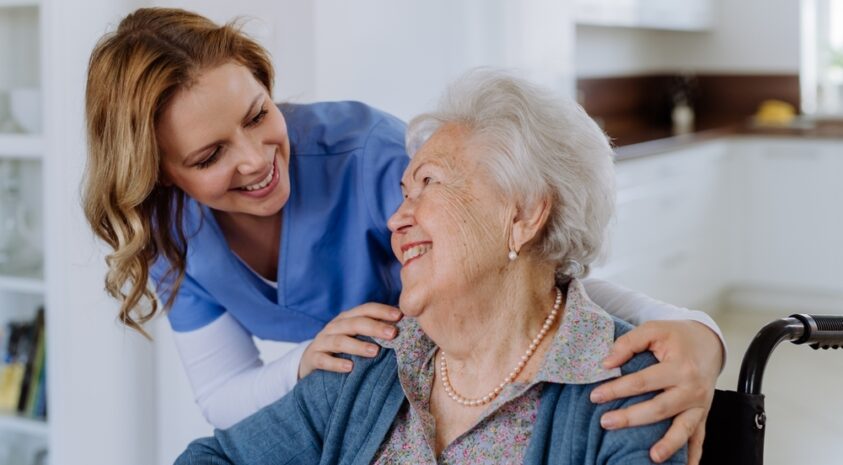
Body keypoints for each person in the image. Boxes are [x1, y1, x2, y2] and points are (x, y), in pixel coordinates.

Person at [83, 8, 722, 463]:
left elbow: (533, 268)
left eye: (259, 116)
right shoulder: (176, 236)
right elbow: (223, 409)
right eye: (209, 155)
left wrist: (695, 331)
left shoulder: (371, 157)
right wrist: (306, 365)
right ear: (160, 176)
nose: (255, 159)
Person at [176, 69, 687, 465]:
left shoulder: (628, 392)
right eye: (402, 192)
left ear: (524, 213)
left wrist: (699, 331)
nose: (395, 219)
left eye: (429, 184)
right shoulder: (370, 364)